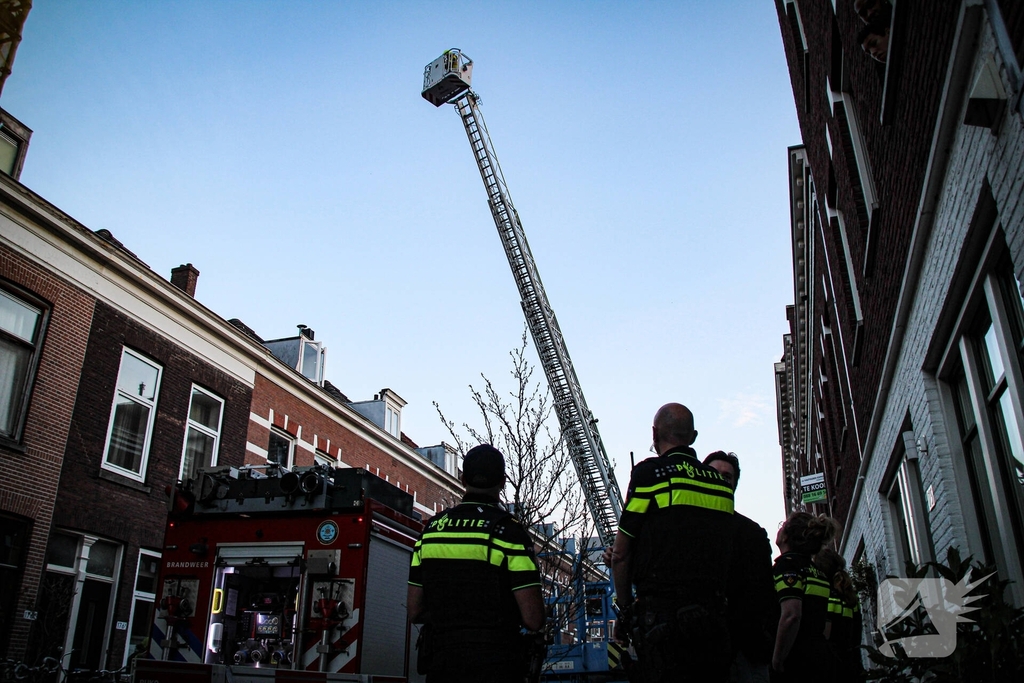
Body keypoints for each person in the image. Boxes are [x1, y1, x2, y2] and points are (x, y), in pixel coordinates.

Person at [610, 403, 736, 683]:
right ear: (693, 437)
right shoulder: (721, 486)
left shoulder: (649, 475)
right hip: (712, 621)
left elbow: (621, 553)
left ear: (654, 434)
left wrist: (626, 610)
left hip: (663, 622)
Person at [407, 444, 545, 683]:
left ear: (462, 478)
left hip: (442, 666)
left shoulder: (431, 531)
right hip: (496, 666)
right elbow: (533, 618)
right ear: (502, 482)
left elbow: (415, 610)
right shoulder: (510, 533)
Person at [704, 451, 775, 683]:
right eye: (714, 474)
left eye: (727, 476)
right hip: (702, 647)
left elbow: (765, 593)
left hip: (746, 648)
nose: (721, 479)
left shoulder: (753, 533)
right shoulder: (687, 530)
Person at [771, 511, 840, 682]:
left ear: (787, 536)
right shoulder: (818, 572)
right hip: (818, 657)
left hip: (795, 660)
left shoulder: (788, 565)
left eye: (782, 526)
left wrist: (777, 660)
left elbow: (791, 615)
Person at [813, 547, 864, 683]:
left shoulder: (827, 597)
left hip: (833, 670)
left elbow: (826, 636)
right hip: (853, 666)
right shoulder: (851, 598)